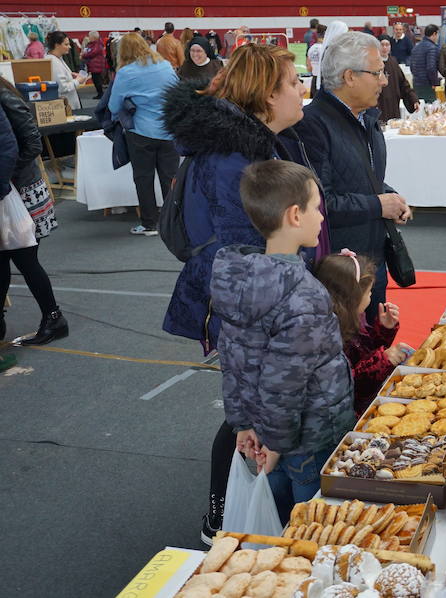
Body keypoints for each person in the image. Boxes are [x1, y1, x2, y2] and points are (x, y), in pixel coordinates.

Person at [162, 43, 329, 544]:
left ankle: (239, 509)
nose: (303, 89)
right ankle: (221, 515)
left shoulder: (257, 143)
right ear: (266, 94)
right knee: (247, 412)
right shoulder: (234, 158)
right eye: (293, 82)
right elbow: (246, 254)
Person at [211, 160, 354, 525]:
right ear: (295, 215)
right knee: (311, 521)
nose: (321, 217)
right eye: (316, 207)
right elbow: (285, 383)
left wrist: (244, 423)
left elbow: (234, 361)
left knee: (273, 510)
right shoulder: (304, 296)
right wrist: (275, 443)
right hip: (306, 436)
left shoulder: (236, 281)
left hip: (263, 434)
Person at [295, 32, 411, 325]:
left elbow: (366, 178)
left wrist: (391, 197)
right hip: (340, 271)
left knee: (376, 350)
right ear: (350, 77)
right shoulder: (313, 126)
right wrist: (377, 205)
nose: (384, 81)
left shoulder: (367, 120)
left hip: (371, 261)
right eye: (378, 72)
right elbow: (319, 204)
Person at [0, 78, 64, 346]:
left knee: (25, 259)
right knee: (12, 260)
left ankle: (53, 317)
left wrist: (8, 177)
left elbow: (30, 144)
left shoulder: (5, 96)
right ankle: (52, 318)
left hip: (21, 190)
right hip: (13, 188)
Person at [314, 250, 412, 416]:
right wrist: (384, 360)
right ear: (352, 297)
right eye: (369, 292)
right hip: (352, 412)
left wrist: (384, 329)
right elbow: (351, 384)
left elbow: (367, 351)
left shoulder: (354, 319)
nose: (371, 296)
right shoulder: (327, 337)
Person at [107, 33, 179, 236]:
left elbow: (114, 105)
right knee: (170, 179)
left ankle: (149, 224)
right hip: (168, 131)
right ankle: (174, 222)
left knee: (143, 179)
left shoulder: (126, 73)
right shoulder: (165, 65)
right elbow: (177, 94)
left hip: (141, 133)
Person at [377, 38, 418, 122]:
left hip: (393, 104)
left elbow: (403, 84)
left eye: (387, 45)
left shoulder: (393, 62)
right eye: (382, 45)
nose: (385, 48)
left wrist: (413, 99)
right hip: (378, 103)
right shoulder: (373, 63)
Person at [46, 32, 86, 110]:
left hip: (68, 105)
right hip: (65, 108)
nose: (70, 47)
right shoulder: (53, 62)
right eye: (66, 44)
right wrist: (77, 81)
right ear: (57, 45)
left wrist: (70, 75)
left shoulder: (58, 59)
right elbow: (62, 88)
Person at [410, 23, 440, 102]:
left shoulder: (416, 47)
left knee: (419, 108)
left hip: (416, 83)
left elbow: (411, 67)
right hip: (428, 85)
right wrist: (435, 83)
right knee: (429, 109)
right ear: (434, 34)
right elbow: (431, 67)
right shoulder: (432, 48)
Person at [81, 31, 107, 99]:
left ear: (94, 37)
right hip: (93, 65)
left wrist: (83, 55)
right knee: (95, 80)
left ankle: (101, 94)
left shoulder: (97, 44)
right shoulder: (92, 44)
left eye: (89, 36)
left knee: (97, 80)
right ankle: (100, 93)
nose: (88, 37)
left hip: (96, 66)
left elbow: (92, 53)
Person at [306, 24, 326, 97]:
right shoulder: (324, 49)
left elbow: (309, 67)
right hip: (323, 79)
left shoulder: (311, 48)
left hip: (314, 79)